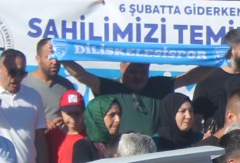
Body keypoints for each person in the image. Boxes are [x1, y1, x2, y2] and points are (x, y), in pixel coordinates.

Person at [62, 58, 215, 136]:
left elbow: (189, 78)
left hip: (152, 151)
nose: (138, 76)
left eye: (143, 72)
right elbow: (82, 76)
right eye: (133, 71)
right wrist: (63, 57)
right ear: (122, 68)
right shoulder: (109, 87)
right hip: (120, 152)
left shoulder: (159, 85)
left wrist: (216, 61)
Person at [21, 38, 75, 129]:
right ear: (38, 59)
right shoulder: (23, 83)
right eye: (49, 57)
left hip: (58, 137)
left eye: (57, 57)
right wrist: (40, 123)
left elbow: (75, 117)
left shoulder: (67, 86)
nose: (54, 62)